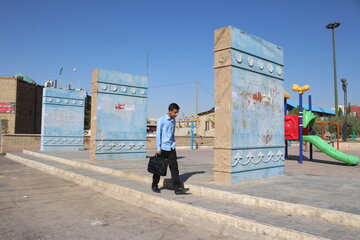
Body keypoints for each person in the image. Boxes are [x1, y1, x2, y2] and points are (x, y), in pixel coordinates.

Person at [152, 103, 188, 195]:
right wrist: (158, 147)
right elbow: (158, 135)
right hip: (163, 148)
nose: (176, 114)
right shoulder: (161, 120)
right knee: (159, 167)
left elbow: (172, 134)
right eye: (175, 112)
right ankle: (155, 185)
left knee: (174, 168)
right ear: (170, 111)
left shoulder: (173, 120)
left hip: (171, 147)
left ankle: (177, 188)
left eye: (177, 113)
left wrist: (173, 144)